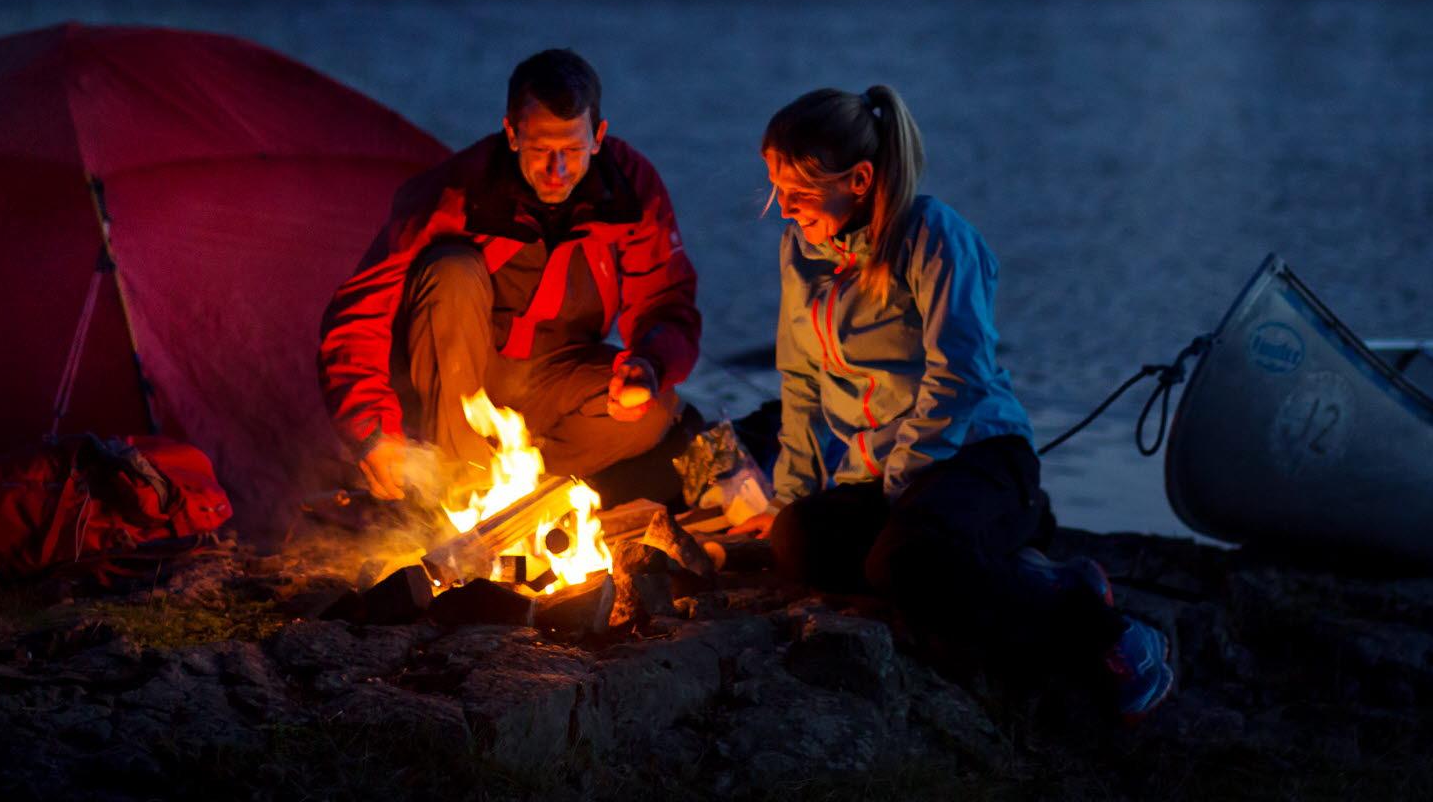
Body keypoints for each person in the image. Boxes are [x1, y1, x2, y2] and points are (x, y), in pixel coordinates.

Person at [743, 83, 1174, 716]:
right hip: (890, 476)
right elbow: (802, 382)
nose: (784, 209)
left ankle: (1104, 630)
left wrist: (902, 480)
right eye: (778, 189)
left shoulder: (933, 236)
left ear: (859, 180)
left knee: (905, 563)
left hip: (975, 454)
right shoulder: (802, 253)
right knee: (798, 541)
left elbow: (961, 372)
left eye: (800, 193)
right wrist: (791, 495)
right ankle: (1013, 563)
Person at [319, 49, 702, 505]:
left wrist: (649, 366)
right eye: (541, 150)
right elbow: (359, 315)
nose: (557, 171)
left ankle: (523, 496)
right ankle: (460, 491)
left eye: (573, 151)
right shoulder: (459, 190)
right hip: (458, 380)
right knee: (451, 271)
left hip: (556, 377)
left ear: (598, 136)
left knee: (652, 407)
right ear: (512, 133)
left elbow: (666, 301)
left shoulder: (629, 190)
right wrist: (372, 430)